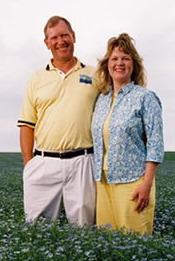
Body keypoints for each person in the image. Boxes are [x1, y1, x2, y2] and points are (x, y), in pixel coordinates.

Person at [17, 16, 99, 226]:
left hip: (83, 161)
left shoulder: (94, 74)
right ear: (47, 43)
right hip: (44, 162)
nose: (60, 41)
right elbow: (27, 124)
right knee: (36, 227)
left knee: (84, 227)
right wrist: (29, 165)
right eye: (54, 37)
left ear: (73, 37)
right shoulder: (36, 78)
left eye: (64, 35)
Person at [91, 33, 164, 234]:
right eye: (114, 59)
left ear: (134, 64)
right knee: (108, 246)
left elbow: (155, 144)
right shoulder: (102, 100)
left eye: (125, 58)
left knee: (135, 246)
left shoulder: (145, 98)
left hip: (133, 183)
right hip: (103, 182)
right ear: (107, 64)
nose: (119, 63)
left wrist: (146, 185)